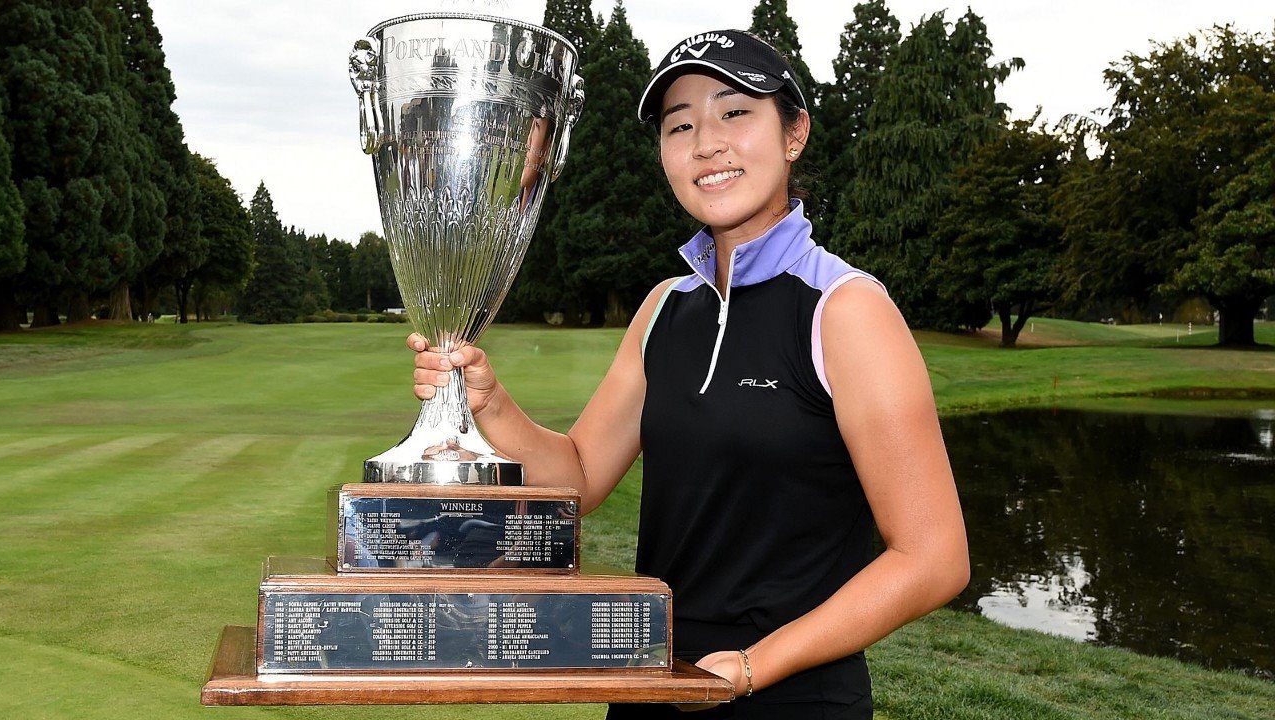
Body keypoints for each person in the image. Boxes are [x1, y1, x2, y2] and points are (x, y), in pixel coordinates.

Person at [408, 29, 969, 719]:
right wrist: (491, 403)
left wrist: (753, 667)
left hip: (789, 697)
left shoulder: (844, 310)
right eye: (680, 125)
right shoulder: (663, 308)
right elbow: (578, 477)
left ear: (794, 134)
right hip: (652, 681)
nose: (707, 143)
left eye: (735, 112)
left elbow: (933, 558)